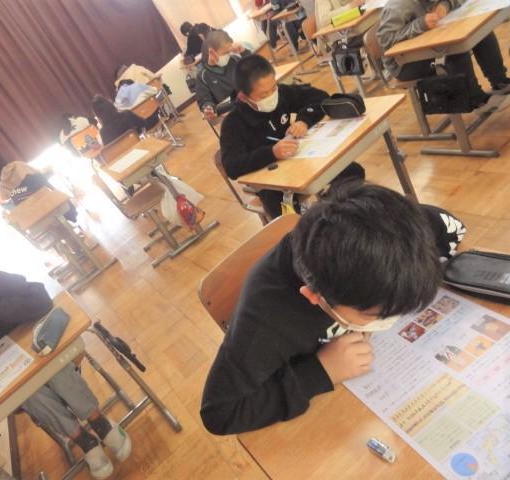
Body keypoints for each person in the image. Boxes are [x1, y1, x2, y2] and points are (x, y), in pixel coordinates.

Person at [200, 182, 466, 435]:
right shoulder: (266, 320)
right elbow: (220, 414)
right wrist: (320, 372)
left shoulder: (400, 230)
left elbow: (456, 233)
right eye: (374, 315)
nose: (388, 320)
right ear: (314, 296)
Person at [0, 261, 131, 479]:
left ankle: (100, 423)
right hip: (12, 377)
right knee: (27, 392)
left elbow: (41, 299)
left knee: (54, 371)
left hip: (44, 355)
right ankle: (84, 440)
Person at [219, 54, 365, 218]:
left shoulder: (281, 93)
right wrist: (271, 152)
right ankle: (315, 223)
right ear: (243, 97)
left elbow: (319, 96)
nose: (272, 96)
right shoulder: (233, 123)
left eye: (273, 88)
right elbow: (232, 166)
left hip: (299, 161)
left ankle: (330, 214)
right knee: (281, 211)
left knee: (352, 172)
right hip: (271, 181)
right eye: (263, 95)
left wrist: (304, 120)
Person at [377, 0, 510, 114]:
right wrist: (420, 24)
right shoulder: (398, 5)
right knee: (453, 49)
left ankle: (500, 82)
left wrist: (446, 5)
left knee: (480, 31)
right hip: (403, 63)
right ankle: (478, 101)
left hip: (429, 43)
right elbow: (385, 40)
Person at [0, 161, 78, 222]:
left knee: (19, 200)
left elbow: (3, 198)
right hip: (50, 203)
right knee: (44, 183)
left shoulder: (2, 183)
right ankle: (71, 215)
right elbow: (37, 171)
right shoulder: (18, 164)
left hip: (35, 217)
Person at [196, 30, 250, 120]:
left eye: (229, 52)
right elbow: (204, 100)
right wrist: (208, 108)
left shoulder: (234, 60)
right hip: (233, 115)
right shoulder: (203, 76)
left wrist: (243, 52)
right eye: (225, 53)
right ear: (212, 52)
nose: (228, 55)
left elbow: (255, 71)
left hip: (250, 104)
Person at [91, 94, 158, 145]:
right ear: (111, 105)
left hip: (123, 157)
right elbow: (144, 124)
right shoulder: (127, 114)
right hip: (138, 147)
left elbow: (110, 150)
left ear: (98, 116)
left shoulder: (103, 132)